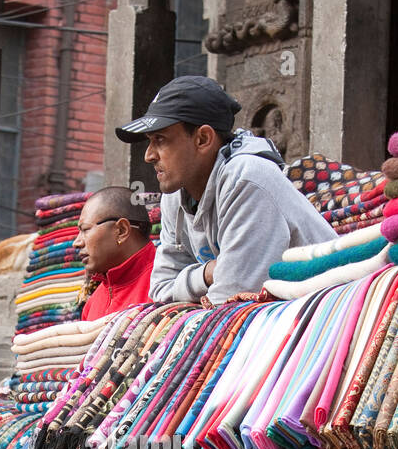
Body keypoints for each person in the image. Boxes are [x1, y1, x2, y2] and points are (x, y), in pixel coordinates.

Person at [115, 74, 333, 305]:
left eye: (160, 139)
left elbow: (229, 303)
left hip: (330, 317)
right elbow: (160, 290)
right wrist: (209, 272)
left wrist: (200, 285)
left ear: (203, 138)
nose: (149, 155)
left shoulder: (248, 178)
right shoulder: (175, 193)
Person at [74, 186, 156, 321]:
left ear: (121, 230)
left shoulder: (165, 286)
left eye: (85, 229)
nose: (77, 242)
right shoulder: (93, 303)